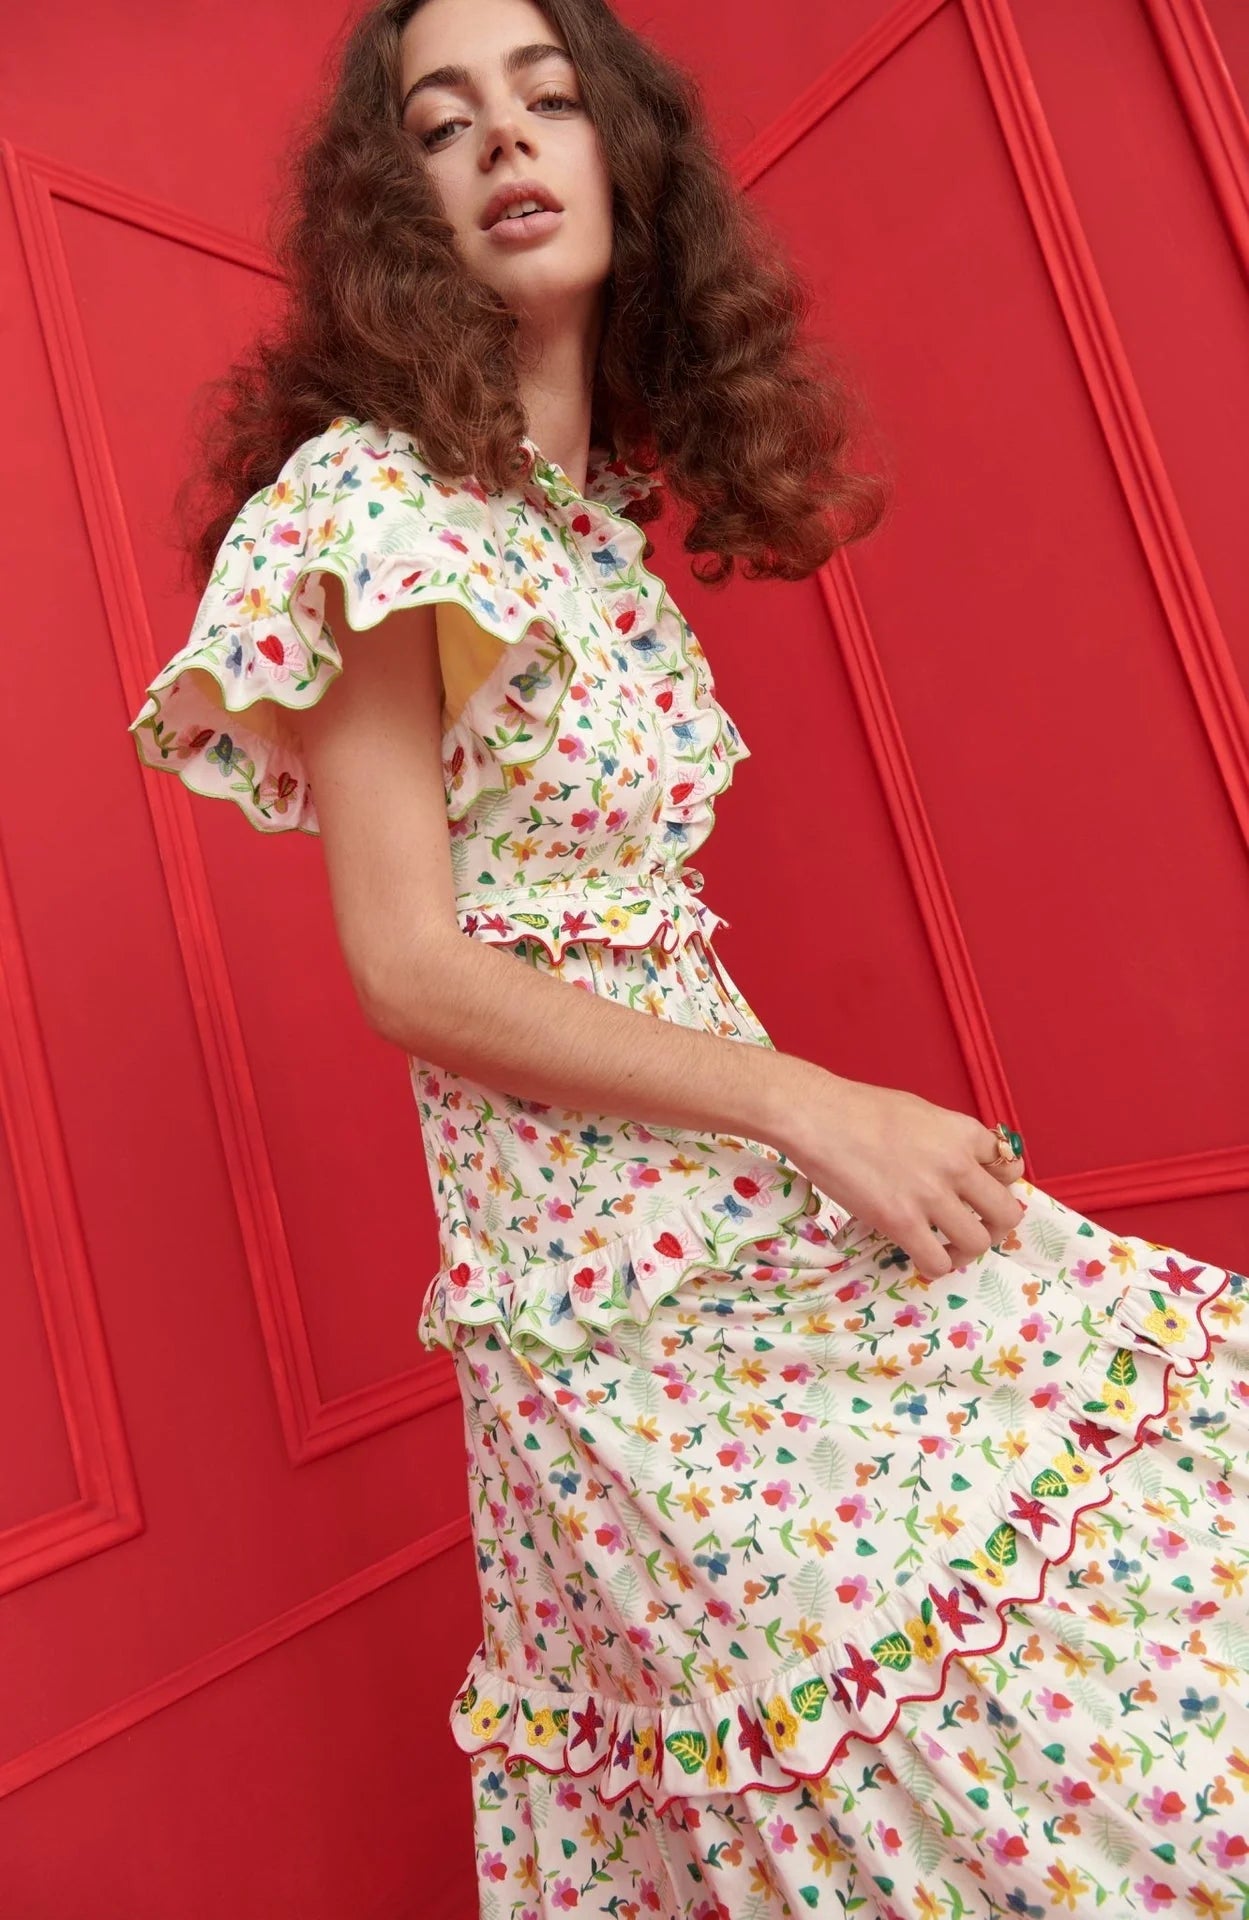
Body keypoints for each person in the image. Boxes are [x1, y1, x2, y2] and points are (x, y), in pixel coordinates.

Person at [128, 0, 1249, 1912]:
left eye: (548, 100)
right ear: (392, 204)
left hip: (738, 1228)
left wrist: (806, 1136)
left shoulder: (580, 534)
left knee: (1125, 1620)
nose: (503, 143)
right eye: (442, 123)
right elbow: (410, 969)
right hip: (608, 1314)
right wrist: (814, 1106)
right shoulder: (371, 506)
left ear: (626, 157)